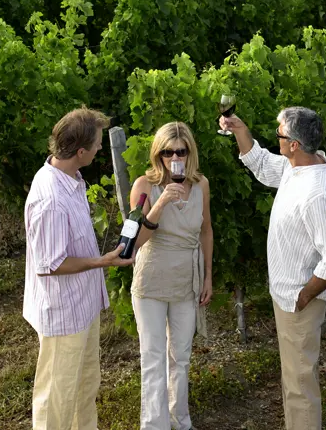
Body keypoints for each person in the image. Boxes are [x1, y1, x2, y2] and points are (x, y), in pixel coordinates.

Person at [220, 106, 326, 430]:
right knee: (293, 380)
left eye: (279, 134)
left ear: (294, 144)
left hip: (297, 302)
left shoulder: (314, 194)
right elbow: (263, 165)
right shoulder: (299, 165)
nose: (275, 137)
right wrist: (239, 129)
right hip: (287, 297)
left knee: (300, 387)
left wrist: (304, 296)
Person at [23, 106, 135, 430]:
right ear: (81, 151)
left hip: (82, 307)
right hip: (63, 316)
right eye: (98, 144)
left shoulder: (71, 178)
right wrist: (101, 262)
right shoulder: (50, 199)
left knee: (85, 388)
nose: (101, 148)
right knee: (56, 399)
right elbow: (50, 265)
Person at [128, 121, 214, 430]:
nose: (174, 158)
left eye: (181, 151)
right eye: (167, 152)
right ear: (158, 154)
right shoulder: (143, 186)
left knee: (182, 356)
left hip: (186, 281)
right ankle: (154, 425)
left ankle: (181, 422)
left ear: (190, 152)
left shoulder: (201, 184)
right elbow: (135, 242)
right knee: (153, 358)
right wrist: (161, 202)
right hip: (151, 281)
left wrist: (207, 278)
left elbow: (206, 232)